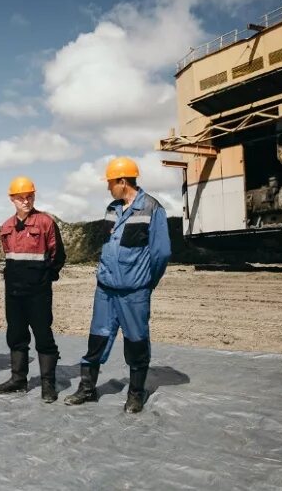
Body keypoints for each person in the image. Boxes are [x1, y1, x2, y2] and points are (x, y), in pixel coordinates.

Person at [64, 157, 171, 413]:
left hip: (134, 292)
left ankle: (135, 394)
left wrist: (145, 282)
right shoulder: (112, 208)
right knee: (97, 339)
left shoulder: (151, 208)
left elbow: (161, 254)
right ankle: (87, 389)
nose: (108, 187)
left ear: (123, 182)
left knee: (136, 341)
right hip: (106, 289)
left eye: (110, 182)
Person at [0, 177, 66, 403]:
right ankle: (18, 380)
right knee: (16, 335)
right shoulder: (6, 227)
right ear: (12, 199)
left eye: (29, 197)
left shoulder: (45, 223)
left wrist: (44, 278)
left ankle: (47, 385)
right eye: (21, 198)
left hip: (38, 292)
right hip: (13, 293)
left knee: (43, 336)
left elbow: (58, 256)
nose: (26, 201)